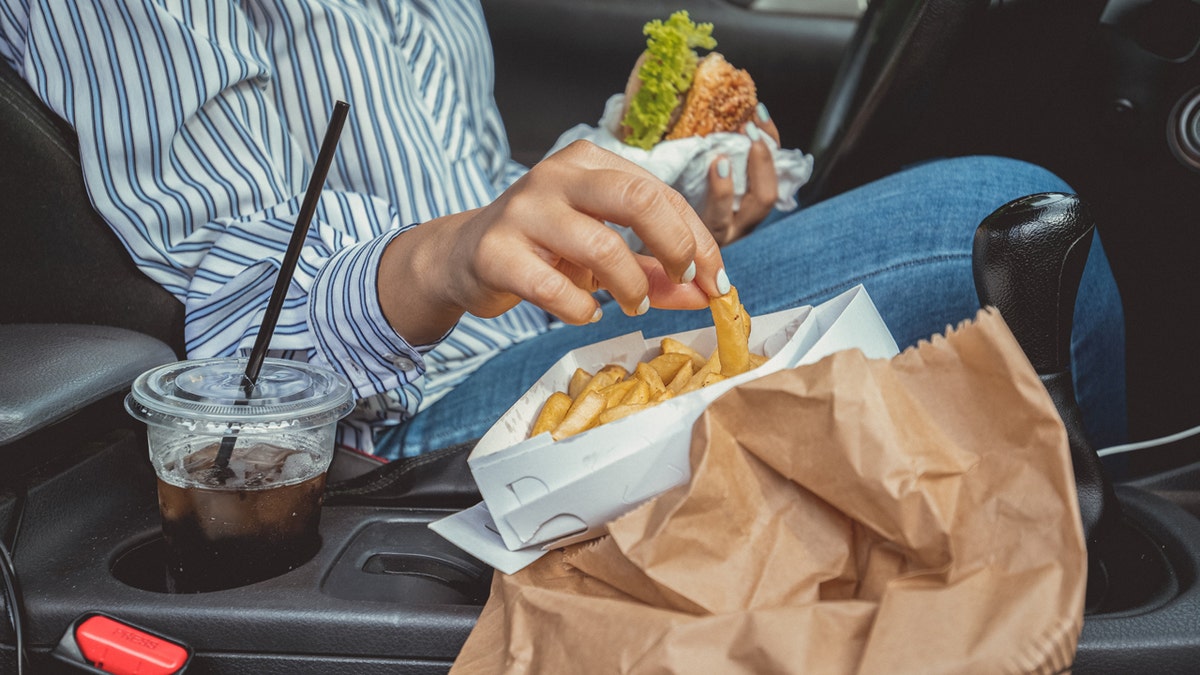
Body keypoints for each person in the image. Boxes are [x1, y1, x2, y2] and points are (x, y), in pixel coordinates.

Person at [0, 0, 1125, 461]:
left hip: (512, 343)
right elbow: (223, 321)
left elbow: (468, 189)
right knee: (986, 226)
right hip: (378, 431)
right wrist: (438, 260)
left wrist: (636, 171)